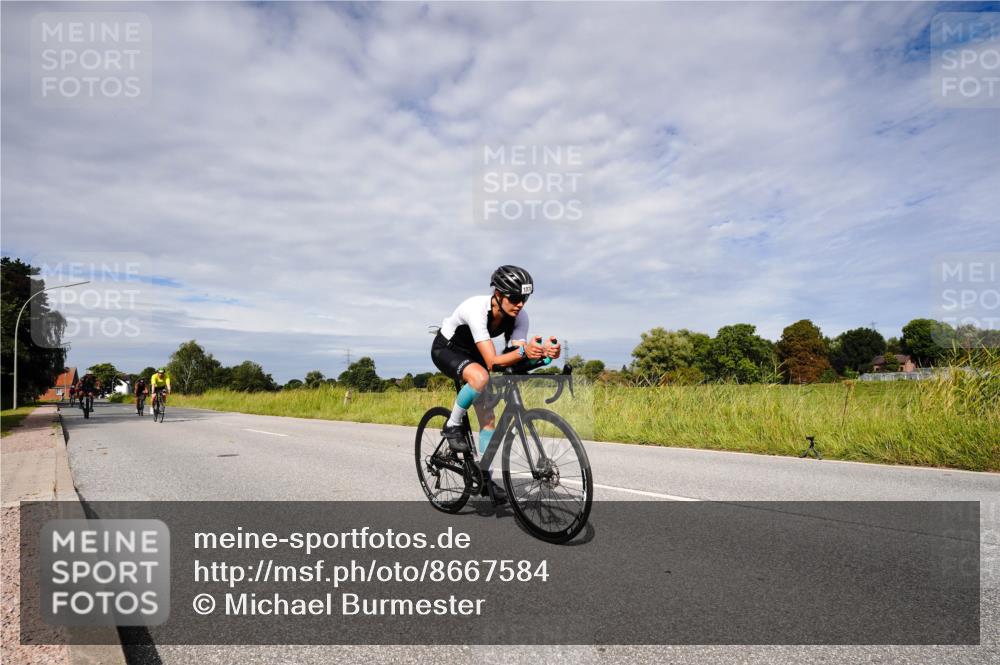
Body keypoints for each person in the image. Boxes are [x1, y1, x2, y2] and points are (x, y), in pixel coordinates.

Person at [431, 265, 561, 502]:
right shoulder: (476, 309)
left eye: (525, 298)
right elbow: (493, 362)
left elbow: (512, 358)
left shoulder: (520, 317)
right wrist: (525, 351)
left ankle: (484, 478)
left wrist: (543, 355)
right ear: (498, 294)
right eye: (514, 298)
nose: (520, 303)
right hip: (448, 349)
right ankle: (452, 424)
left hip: (477, 353)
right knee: (481, 377)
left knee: (488, 419)